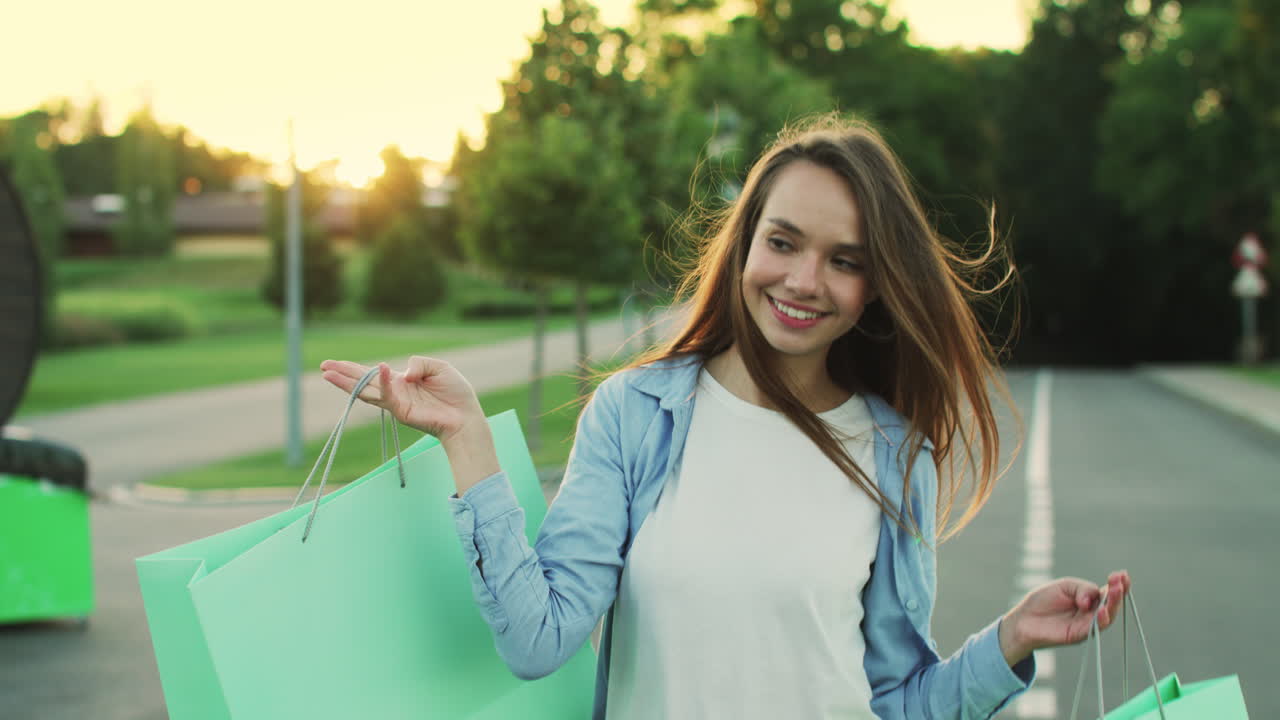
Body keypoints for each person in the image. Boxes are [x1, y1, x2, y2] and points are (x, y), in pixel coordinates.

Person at [321, 114, 1131, 719]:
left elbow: (898, 702)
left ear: (875, 285)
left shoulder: (893, 454)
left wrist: (1012, 640)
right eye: (784, 242)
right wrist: (468, 439)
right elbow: (537, 641)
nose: (805, 280)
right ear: (745, 246)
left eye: (845, 260)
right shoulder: (637, 415)